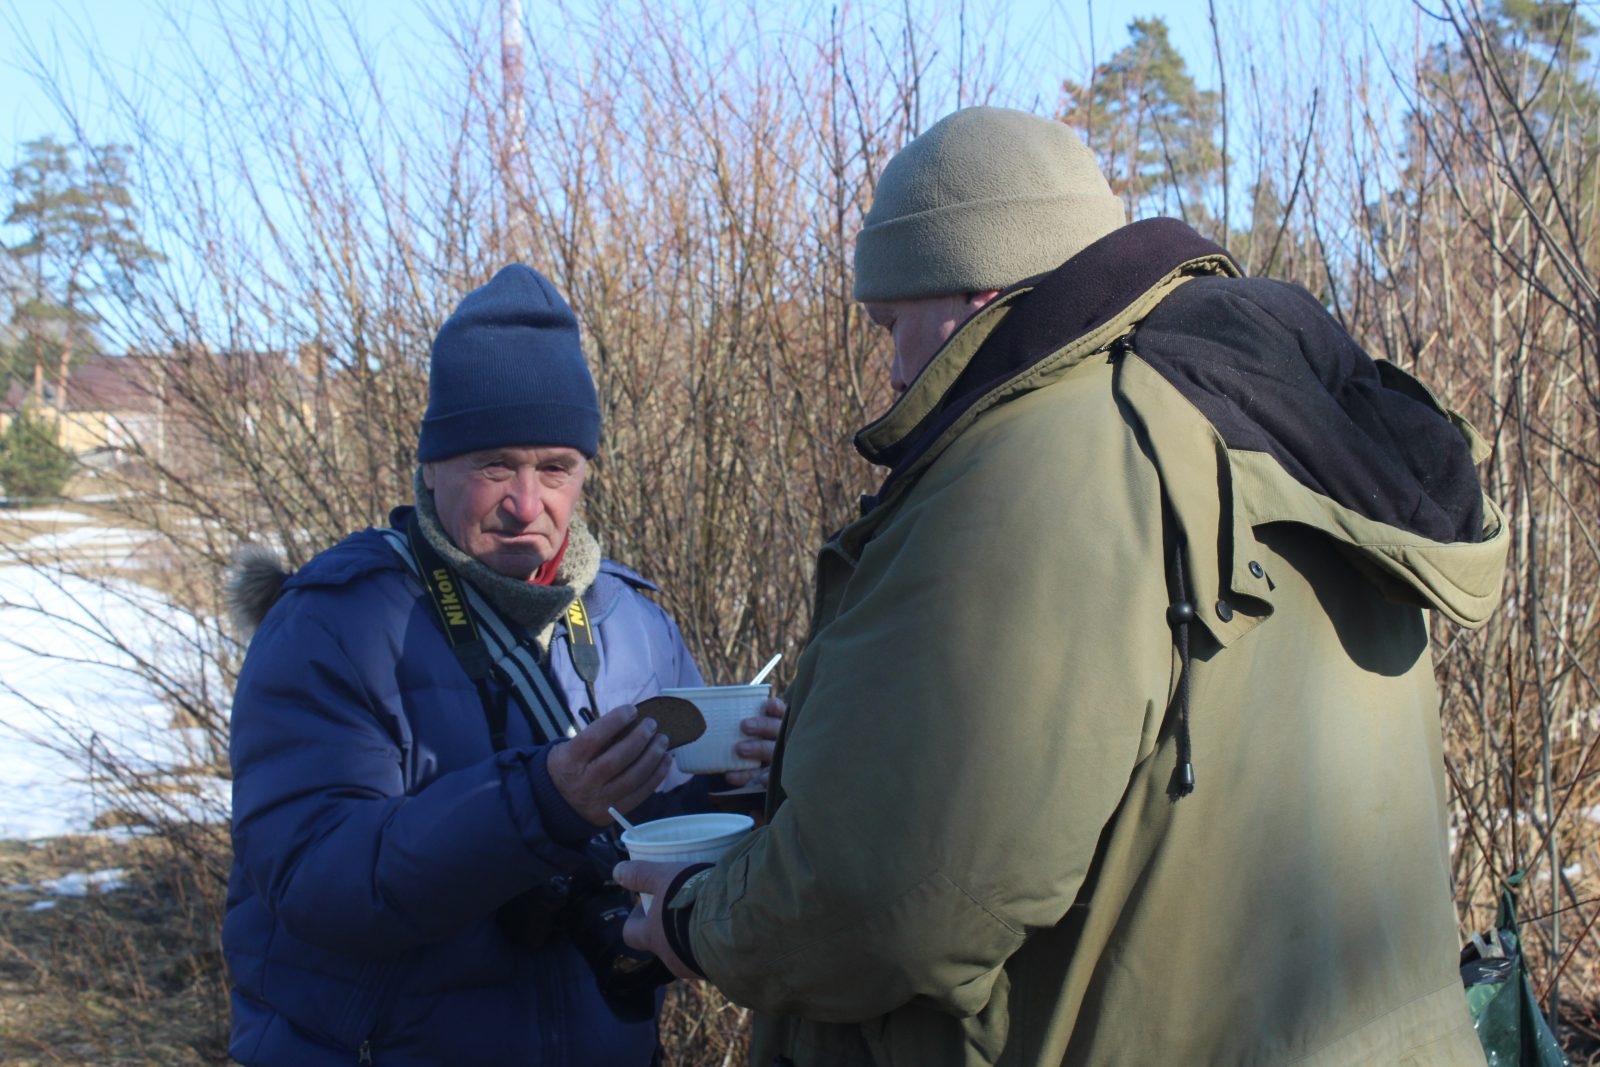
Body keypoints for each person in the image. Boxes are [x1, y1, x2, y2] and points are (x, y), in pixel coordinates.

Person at [617, 106, 1509, 1065]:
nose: (889, 366)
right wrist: (839, 743)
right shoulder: (1269, 417)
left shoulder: (1040, 463)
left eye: (891, 323)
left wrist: (698, 919)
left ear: (974, 288)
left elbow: (899, 900)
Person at [222, 264, 782, 1067]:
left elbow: (672, 825)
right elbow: (318, 879)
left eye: (556, 467)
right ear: (431, 466)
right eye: (495, 465)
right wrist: (543, 801)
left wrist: (757, 779)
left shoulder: (633, 619)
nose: (529, 502)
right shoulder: (331, 623)